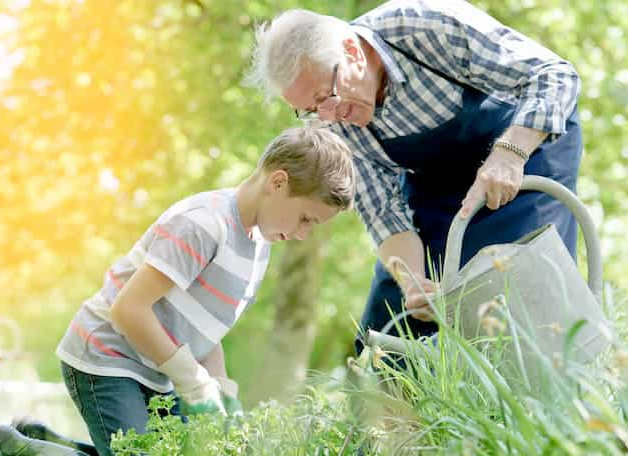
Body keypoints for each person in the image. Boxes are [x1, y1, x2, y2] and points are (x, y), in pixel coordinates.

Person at [0, 126, 355, 456]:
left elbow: (207, 329)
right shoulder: (203, 224)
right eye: (306, 219)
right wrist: (193, 383)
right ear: (277, 183)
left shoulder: (258, 244)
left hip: (154, 368)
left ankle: (35, 439)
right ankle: (5, 451)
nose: (302, 235)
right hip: (107, 358)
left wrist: (223, 391)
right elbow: (128, 311)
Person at [246, 0, 583, 349]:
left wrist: (509, 154)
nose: (328, 116)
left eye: (325, 96)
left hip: (526, 153)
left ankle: (541, 393)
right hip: (438, 184)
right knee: (391, 327)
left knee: (508, 294)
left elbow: (554, 75)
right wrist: (412, 282)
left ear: (352, 51)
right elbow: (383, 212)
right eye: (311, 110)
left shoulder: (422, 25)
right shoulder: (330, 123)